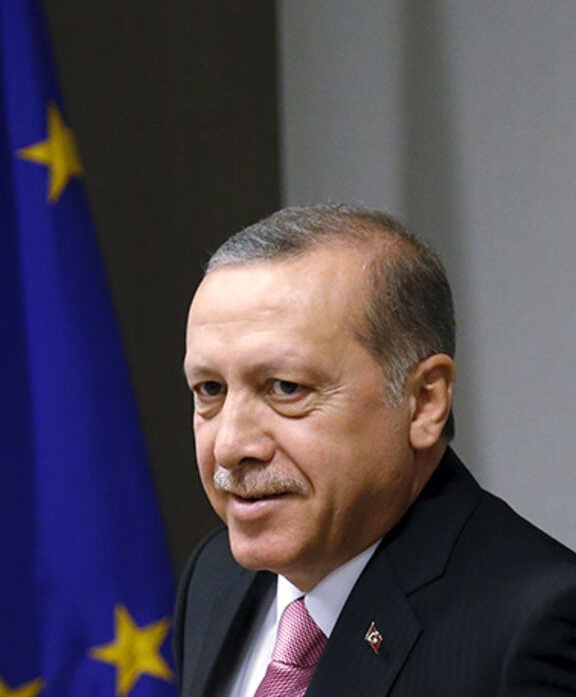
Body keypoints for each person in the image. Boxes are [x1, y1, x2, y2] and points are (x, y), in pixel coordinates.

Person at [173, 204, 576, 697]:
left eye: (286, 387)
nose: (232, 446)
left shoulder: (537, 625)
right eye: (210, 390)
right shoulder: (214, 577)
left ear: (424, 402)